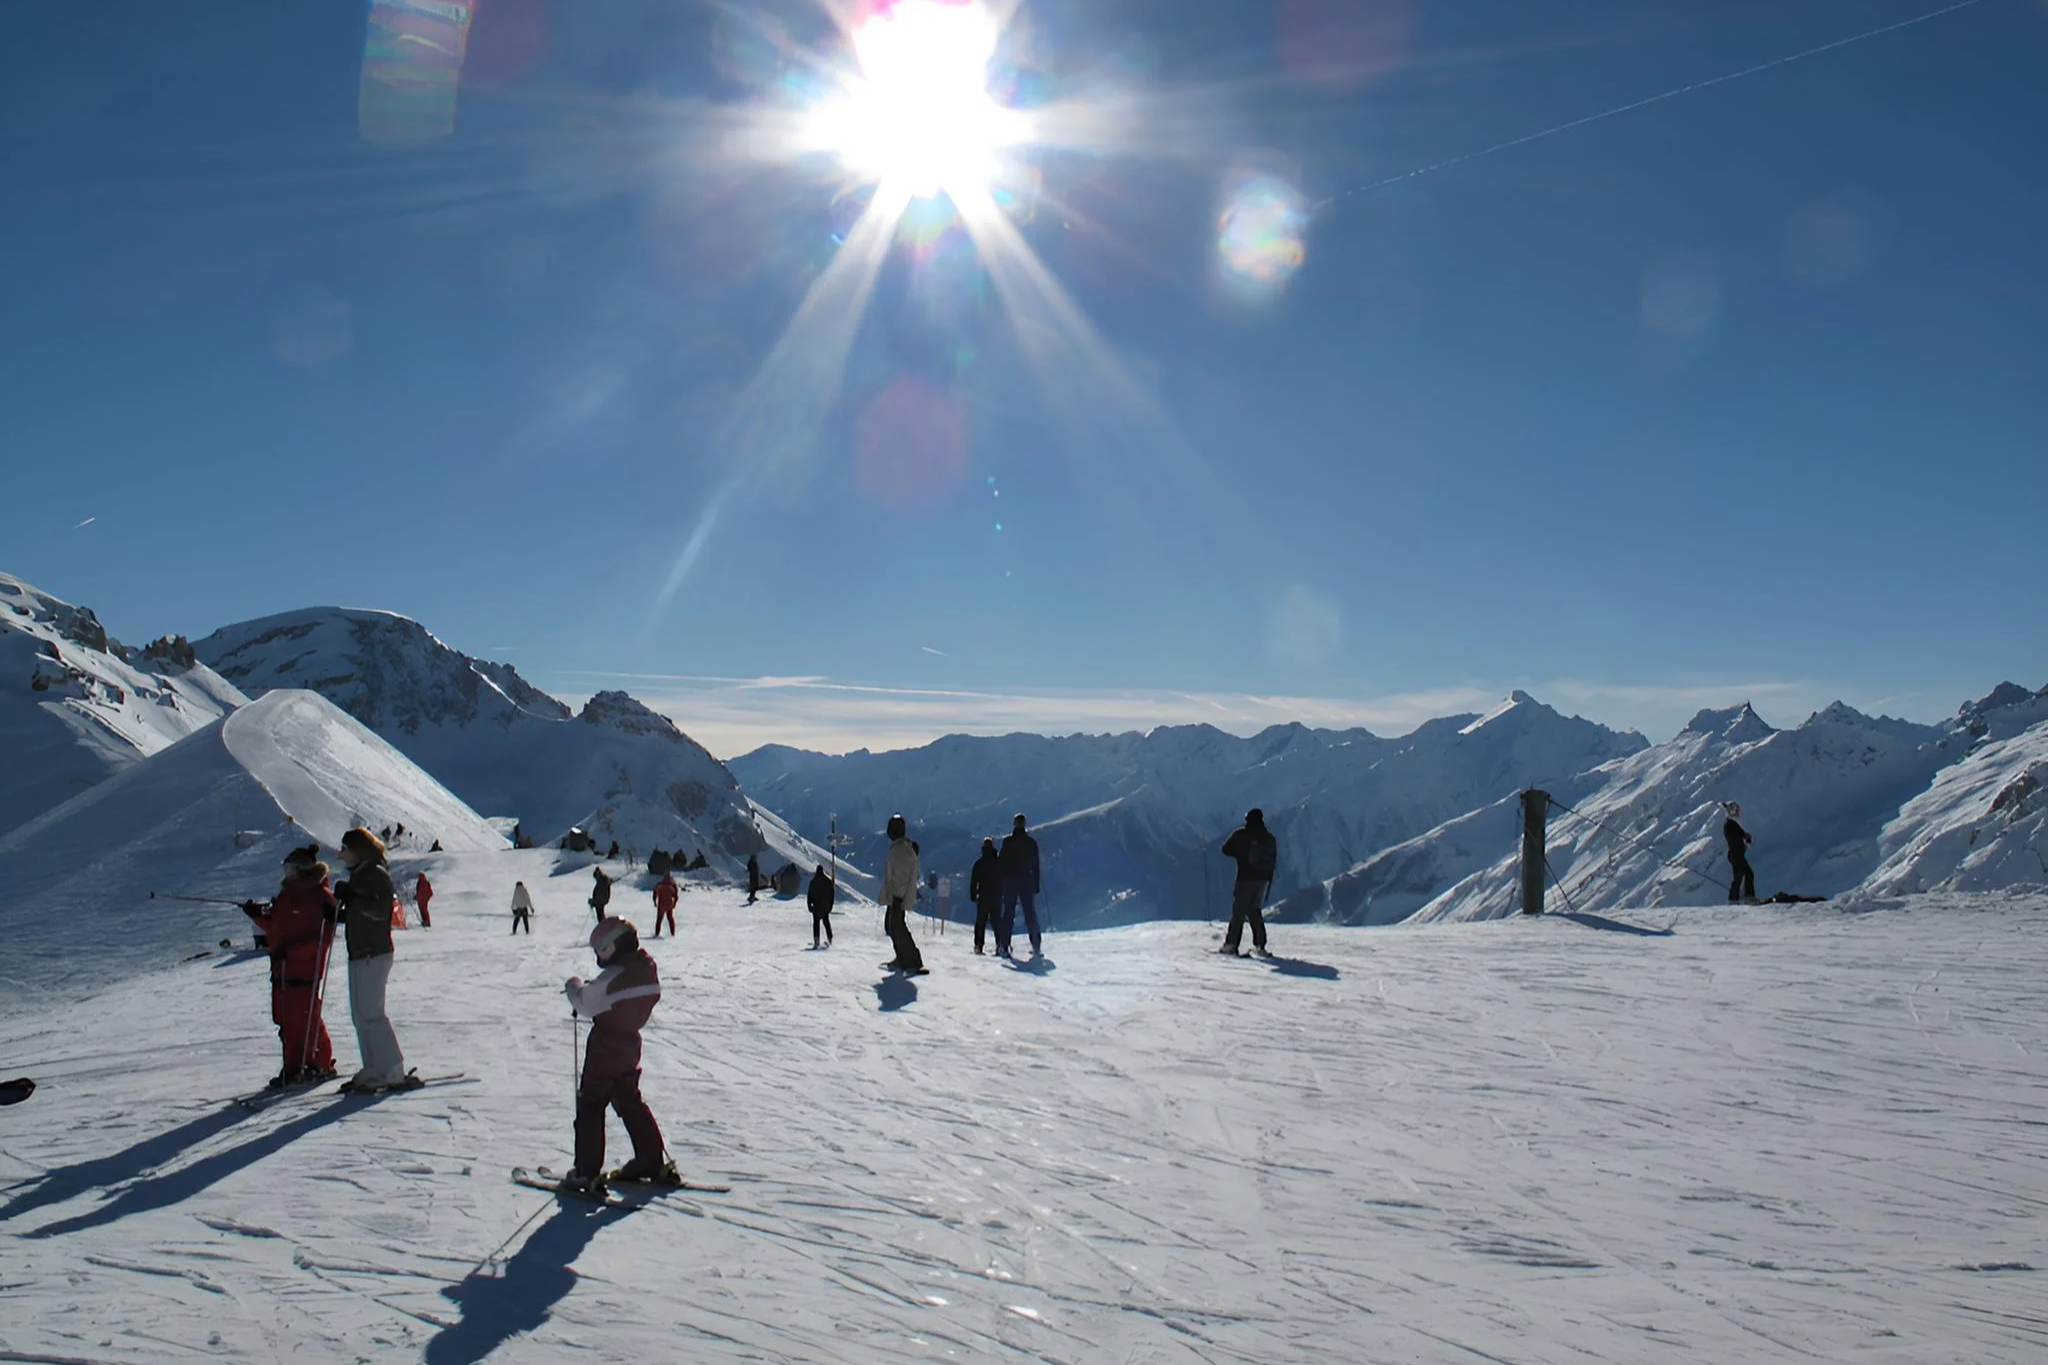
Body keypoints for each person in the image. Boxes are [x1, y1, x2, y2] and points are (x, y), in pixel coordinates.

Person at [563, 917, 669, 1191]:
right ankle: (651, 1159)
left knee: (591, 1103)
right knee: (628, 1099)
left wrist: (573, 986)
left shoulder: (613, 977)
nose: (599, 956)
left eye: (601, 949)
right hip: (630, 1044)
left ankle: (587, 1171)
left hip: (605, 1046)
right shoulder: (645, 968)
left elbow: (586, 1003)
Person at [239, 844, 338, 1086]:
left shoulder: (320, 897)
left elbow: (322, 939)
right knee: (286, 1021)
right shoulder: (286, 897)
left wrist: (291, 952)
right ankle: (294, 1067)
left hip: (304, 970)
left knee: (305, 1019)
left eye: (292, 870)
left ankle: (318, 1063)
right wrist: (257, 915)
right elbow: (276, 931)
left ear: (304, 870)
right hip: (282, 970)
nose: (287, 875)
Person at [335, 827, 410, 1090]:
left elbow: (379, 912)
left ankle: (391, 1067)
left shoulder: (374, 874)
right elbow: (361, 910)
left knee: (371, 1012)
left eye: (345, 849)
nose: (341, 855)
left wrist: (352, 899)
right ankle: (374, 1066)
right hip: (361, 951)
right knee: (360, 1013)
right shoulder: (361, 875)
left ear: (358, 850)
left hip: (373, 951)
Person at [1220, 808, 1277, 957]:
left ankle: (1231, 944)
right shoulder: (1269, 837)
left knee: (1238, 912)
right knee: (1254, 911)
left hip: (1245, 878)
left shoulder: (1241, 834)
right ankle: (1260, 945)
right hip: (1263, 881)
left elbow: (1225, 849)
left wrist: (1240, 853)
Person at [880, 814, 925, 973]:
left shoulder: (899, 850)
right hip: (898, 895)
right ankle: (904, 957)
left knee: (897, 927)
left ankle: (911, 959)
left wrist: (894, 895)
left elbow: (898, 875)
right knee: (895, 927)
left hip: (897, 895)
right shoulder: (902, 848)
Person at [998, 813, 1042, 959]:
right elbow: (1035, 865)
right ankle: (1036, 945)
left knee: (1008, 914)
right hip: (1025, 881)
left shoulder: (1007, 842)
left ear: (1014, 824)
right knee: (1030, 913)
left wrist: (1001, 882)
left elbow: (1001, 864)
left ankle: (1004, 945)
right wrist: (1035, 884)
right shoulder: (1031, 843)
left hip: (1010, 881)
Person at [969, 837, 1002, 955]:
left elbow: (974, 881)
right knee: (997, 921)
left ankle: (978, 945)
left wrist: (973, 894)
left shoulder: (979, 863)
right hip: (997, 895)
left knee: (981, 921)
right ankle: (1000, 944)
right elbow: (1004, 878)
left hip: (983, 895)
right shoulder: (999, 862)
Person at [1723, 801, 1757, 903]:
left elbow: (1741, 835)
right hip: (1736, 855)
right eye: (1735, 811)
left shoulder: (1732, 824)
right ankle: (1736, 899)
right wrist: (1745, 838)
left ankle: (1740, 898)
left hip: (1737, 855)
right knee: (1740, 877)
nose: (1737, 813)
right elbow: (1736, 837)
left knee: (1744, 875)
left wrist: (1746, 837)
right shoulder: (1729, 825)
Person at [807, 864, 836, 948]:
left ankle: (816, 940)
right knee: (826, 922)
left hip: (816, 907)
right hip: (825, 907)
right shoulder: (828, 881)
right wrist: (830, 905)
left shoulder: (813, 881)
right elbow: (832, 894)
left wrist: (809, 905)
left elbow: (810, 895)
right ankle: (830, 938)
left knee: (816, 924)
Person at [651, 872, 679, 937]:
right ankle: (672, 933)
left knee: (659, 919)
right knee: (670, 918)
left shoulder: (660, 884)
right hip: (669, 903)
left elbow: (655, 892)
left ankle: (657, 933)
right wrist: (674, 903)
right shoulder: (672, 885)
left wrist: (654, 901)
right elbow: (675, 895)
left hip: (661, 904)